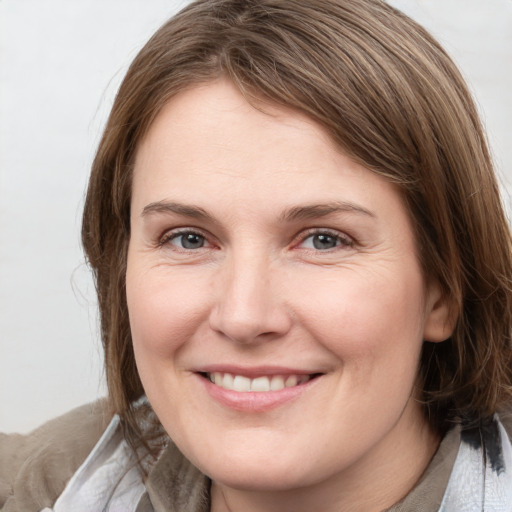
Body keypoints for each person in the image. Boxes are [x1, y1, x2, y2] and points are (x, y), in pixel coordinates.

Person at [2, 0, 512, 510]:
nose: (244, 317)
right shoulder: (37, 490)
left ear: (444, 288)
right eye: (189, 238)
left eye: (323, 240)